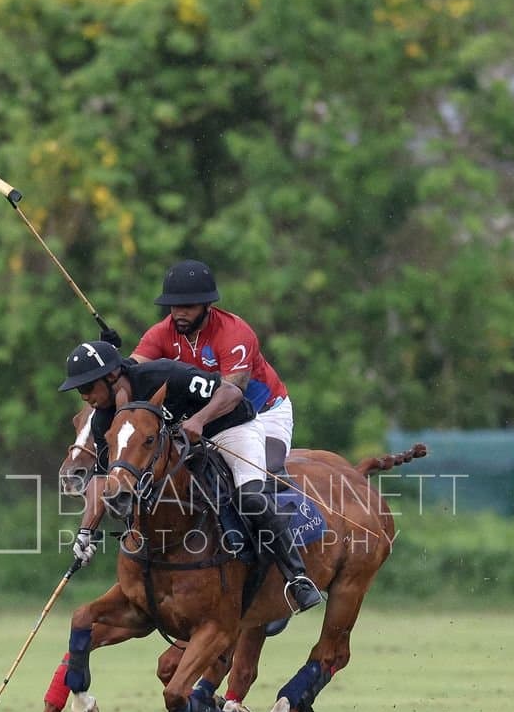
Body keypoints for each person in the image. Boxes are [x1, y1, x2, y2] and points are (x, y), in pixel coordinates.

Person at [59, 340, 322, 613]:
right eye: (79, 390)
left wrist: (200, 419)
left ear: (112, 376)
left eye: (87, 387)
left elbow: (230, 393)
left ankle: (297, 578)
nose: (84, 396)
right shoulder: (106, 419)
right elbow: (103, 477)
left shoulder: (162, 374)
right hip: (185, 447)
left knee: (251, 497)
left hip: (229, 428)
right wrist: (86, 532)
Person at [131, 260, 294, 477]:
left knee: (267, 475)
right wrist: (111, 361)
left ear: (208, 305)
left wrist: (198, 420)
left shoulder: (234, 333)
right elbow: (131, 372)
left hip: (263, 413)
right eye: (174, 306)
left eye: (188, 307)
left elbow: (231, 393)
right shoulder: (160, 333)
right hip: (203, 421)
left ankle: (297, 510)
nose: (179, 313)